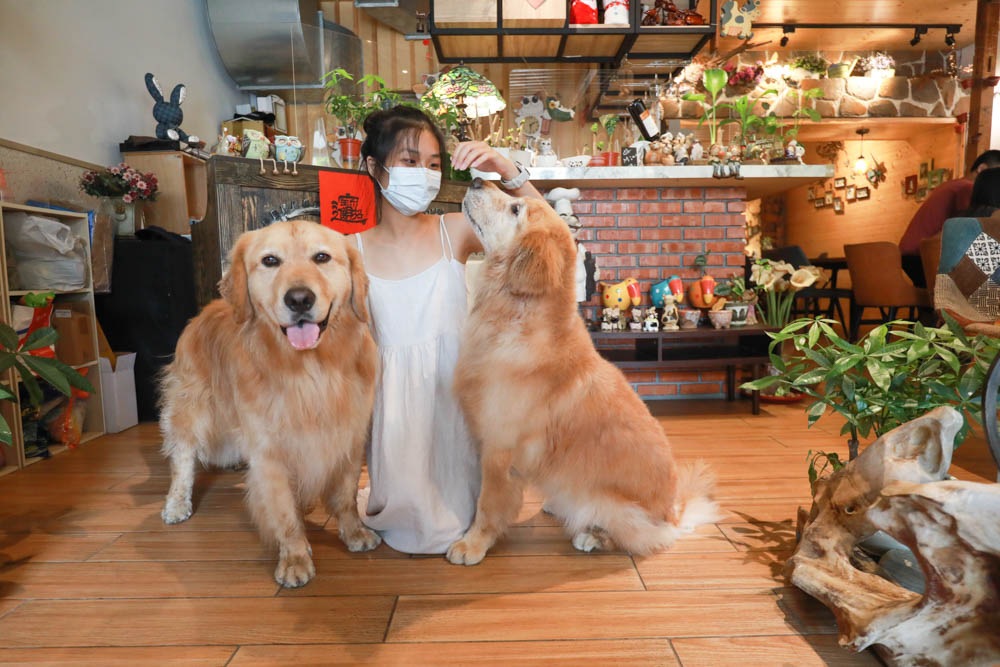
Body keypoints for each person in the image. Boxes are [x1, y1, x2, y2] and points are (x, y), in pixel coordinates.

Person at [351, 105, 542, 554]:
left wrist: (506, 169)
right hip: (392, 404)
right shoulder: (348, 249)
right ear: (374, 168)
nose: (424, 173)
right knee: (406, 505)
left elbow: (543, 230)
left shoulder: (454, 230)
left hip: (456, 391)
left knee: (464, 493)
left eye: (434, 164)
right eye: (410, 161)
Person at [899, 150, 1000, 286]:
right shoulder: (967, 189)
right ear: (982, 169)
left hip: (913, 252)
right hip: (924, 255)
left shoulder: (951, 185)